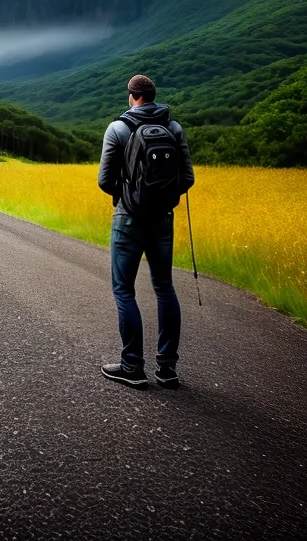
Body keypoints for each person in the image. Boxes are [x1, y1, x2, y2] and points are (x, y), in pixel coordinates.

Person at [97, 73, 194, 389]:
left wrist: (127, 197)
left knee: (124, 290)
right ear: (153, 96)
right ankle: (167, 370)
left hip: (128, 220)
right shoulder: (174, 128)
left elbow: (104, 180)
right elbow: (187, 179)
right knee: (164, 288)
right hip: (163, 220)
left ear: (132, 96)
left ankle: (132, 367)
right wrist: (164, 198)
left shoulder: (118, 129)